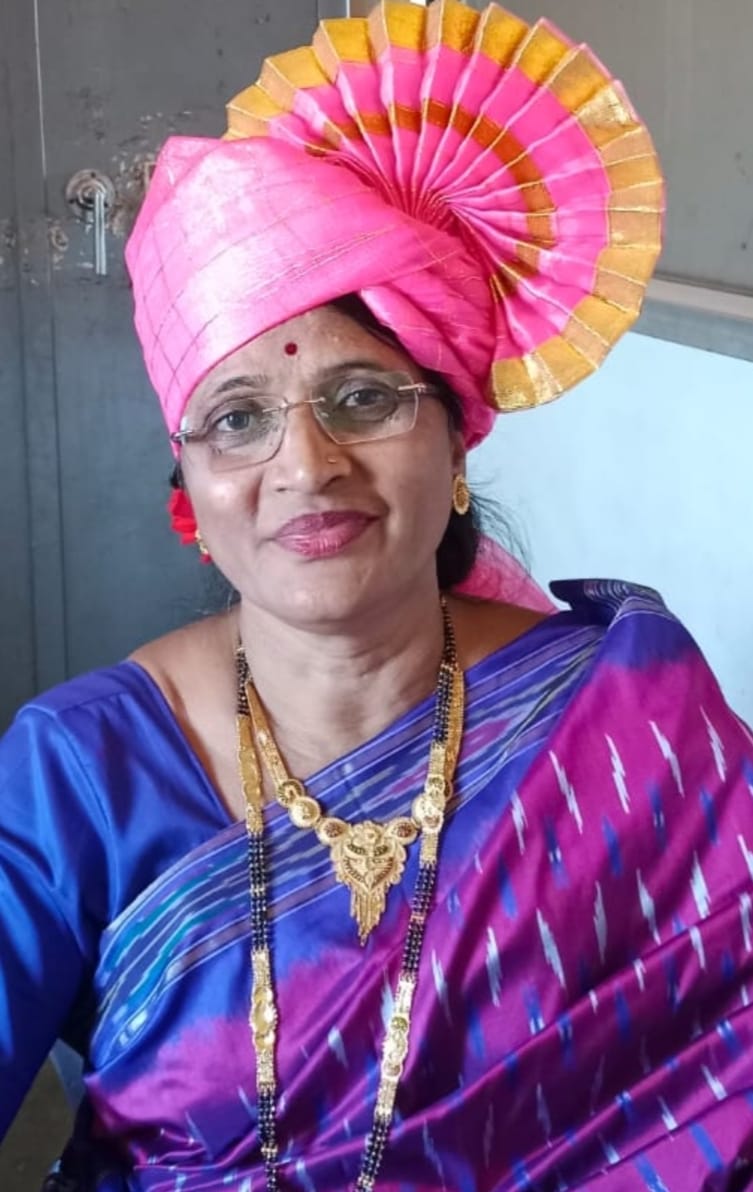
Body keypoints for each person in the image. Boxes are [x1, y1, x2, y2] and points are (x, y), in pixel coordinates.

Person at [2, 2, 753, 1188]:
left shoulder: (628, 720)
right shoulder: (80, 768)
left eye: (364, 398)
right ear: (191, 489)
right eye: (237, 419)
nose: (306, 466)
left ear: (456, 443)